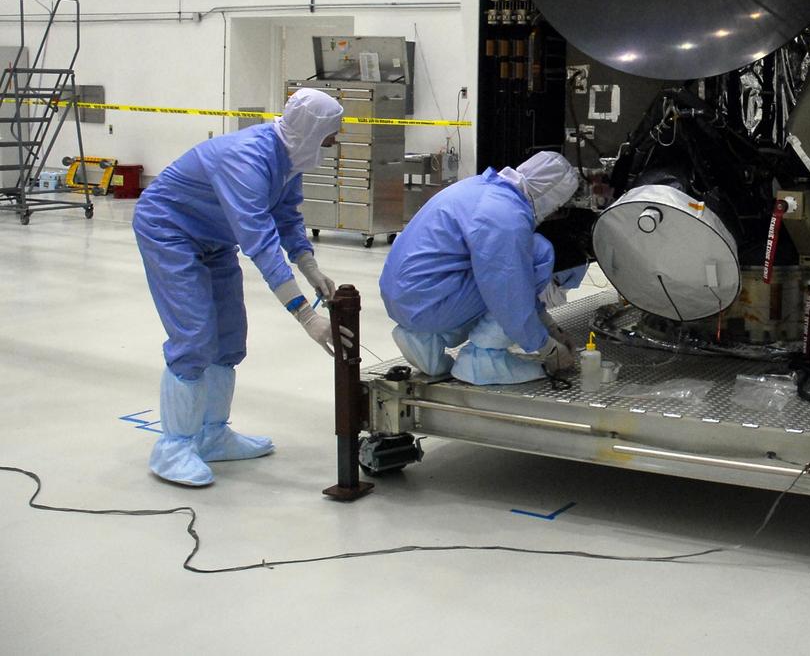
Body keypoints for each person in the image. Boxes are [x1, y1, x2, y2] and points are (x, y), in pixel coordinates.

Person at [134, 88, 351, 487]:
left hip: (215, 238)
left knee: (230, 338)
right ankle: (173, 448)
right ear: (310, 132)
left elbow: (286, 216)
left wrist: (309, 266)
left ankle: (212, 435)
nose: (333, 144)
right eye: (329, 137)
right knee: (195, 336)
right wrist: (306, 315)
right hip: (169, 231)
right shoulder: (247, 159)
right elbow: (260, 242)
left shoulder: (289, 158)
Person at [380, 151, 581, 385]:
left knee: (503, 267)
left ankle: (424, 339)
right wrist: (546, 347)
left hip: (405, 298)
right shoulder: (507, 216)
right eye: (558, 205)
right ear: (550, 195)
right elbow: (510, 293)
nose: (554, 211)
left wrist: (551, 328)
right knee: (538, 252)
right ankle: (483, 360)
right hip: (429, 303)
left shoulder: (480, 187)